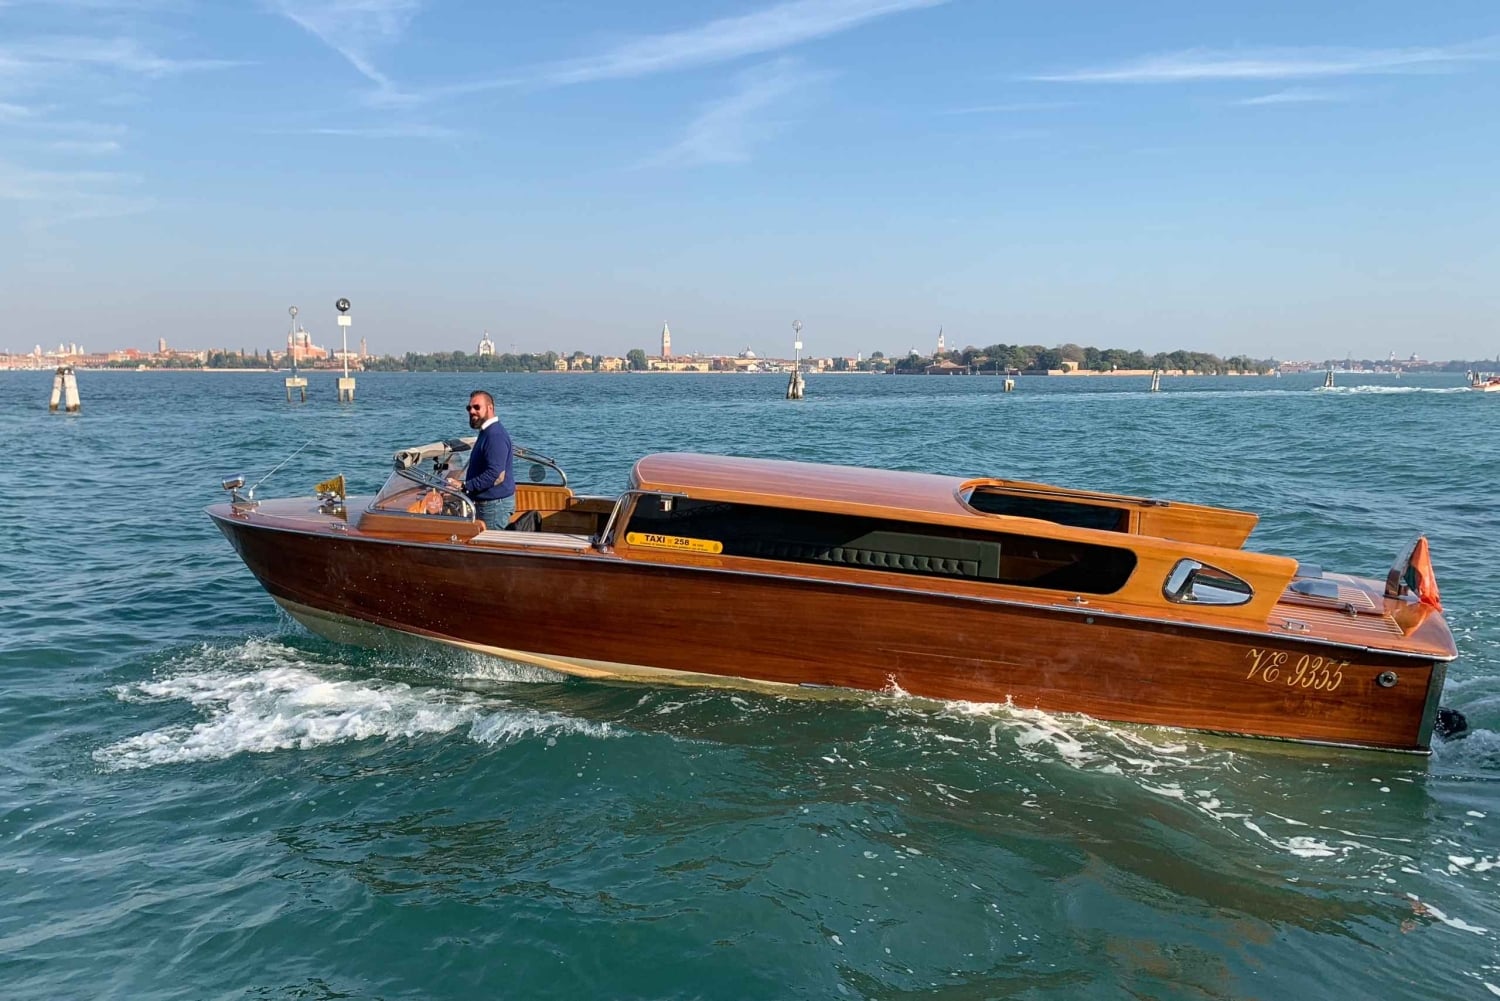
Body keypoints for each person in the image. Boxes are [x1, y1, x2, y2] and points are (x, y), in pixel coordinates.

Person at [460, 389, 515, 529]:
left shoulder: (494, 435)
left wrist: (464, 486)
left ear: (490, 408)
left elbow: (495, 474)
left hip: (493, 507)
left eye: (477, 407)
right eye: (469, 408)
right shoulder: (487, 432)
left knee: (490, 542)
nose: (472, 411)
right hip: (489, 505)